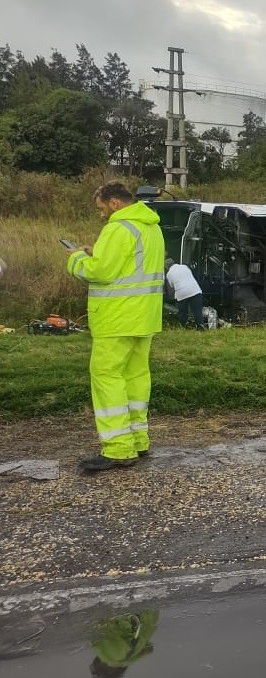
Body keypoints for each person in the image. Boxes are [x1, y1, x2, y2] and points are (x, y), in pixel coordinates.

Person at [66, 182, 165, 472]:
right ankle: (138, 440)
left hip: (116, 318)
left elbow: (100, 271)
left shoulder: (118, 228)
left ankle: (118, 448)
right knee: (136, 376)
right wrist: (97, 251)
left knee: (107, 376)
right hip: (144, 317)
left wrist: (76, 259)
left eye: (101, 208)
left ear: (114, 203)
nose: (101, 215)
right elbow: (131, 265)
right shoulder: (151, 227)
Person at [89, 610, 159, 677]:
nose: (92, 666)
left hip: (149, 614)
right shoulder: (114, 656)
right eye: (95, 672)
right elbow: (100, 627)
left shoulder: (129, 657)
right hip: (135, 611)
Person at [164, 259, 204, 329]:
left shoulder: (169, 274)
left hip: (182, 293)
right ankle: (201, 327)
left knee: (183, 313)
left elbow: (172, 286)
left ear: (167, 267)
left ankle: (183, 327)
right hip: (195, 290)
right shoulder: (184, 267)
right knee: (197, 311)